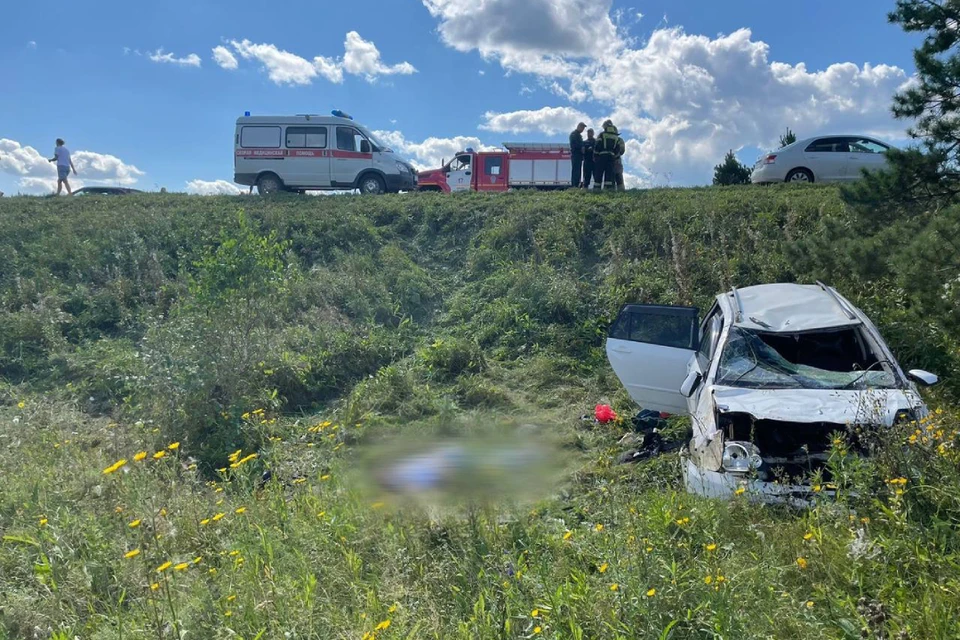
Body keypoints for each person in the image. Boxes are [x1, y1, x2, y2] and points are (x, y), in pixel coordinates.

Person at [594, 120, 624, 190]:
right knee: (610, 174)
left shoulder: (602, 134)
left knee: (599, 173)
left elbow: (597, 145)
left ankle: (597, 189)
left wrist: (595, 155)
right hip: (612, 158)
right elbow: (619, 149)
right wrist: (615, 157)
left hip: (601, 157)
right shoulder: (616, 137)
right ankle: (608, 189)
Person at [569, 122, 586, 188]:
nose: (583, 129)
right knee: (575, 171)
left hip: (579, 155)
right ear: (578, 126)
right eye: (582, 127)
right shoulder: (574, 134)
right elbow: (574, 144)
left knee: (578, 171)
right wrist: (581, 147)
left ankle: (577, 185)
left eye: (584, 128)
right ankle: (574, 185)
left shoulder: (579, 135)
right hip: (575, 155)